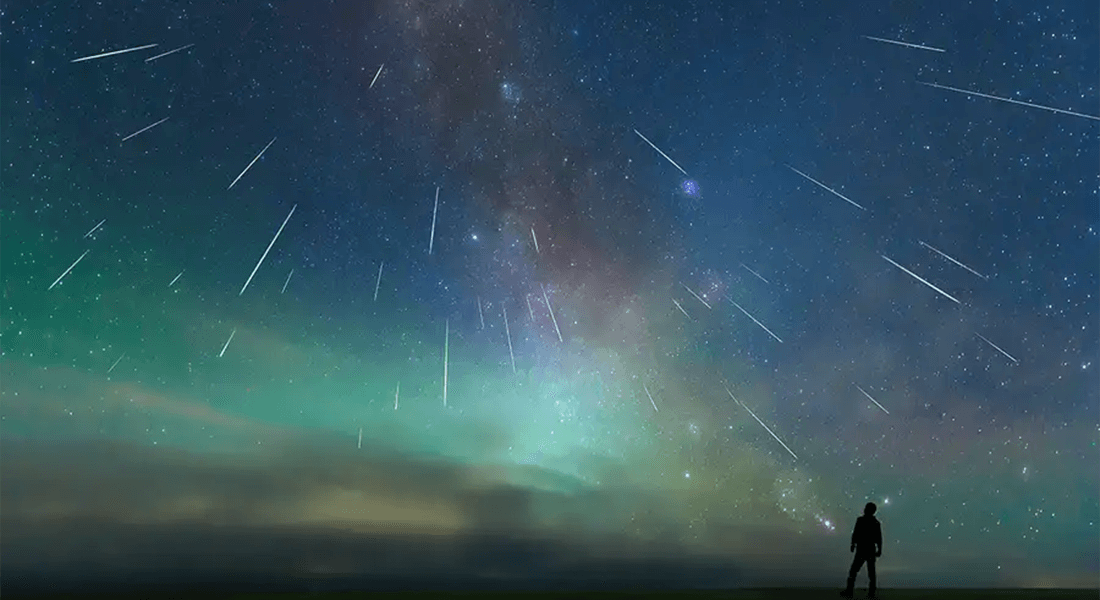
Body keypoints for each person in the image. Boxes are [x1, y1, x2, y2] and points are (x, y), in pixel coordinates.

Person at [841, 501, 882, 598]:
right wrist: (879, 549)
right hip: (868, 550)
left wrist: (853, 544)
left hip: (862, 549)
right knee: (870, 573)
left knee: (855, 571)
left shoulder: (862, 520)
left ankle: (850, 591)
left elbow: (856, 533)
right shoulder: (874, 522)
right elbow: (878, 538)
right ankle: (870, 593)